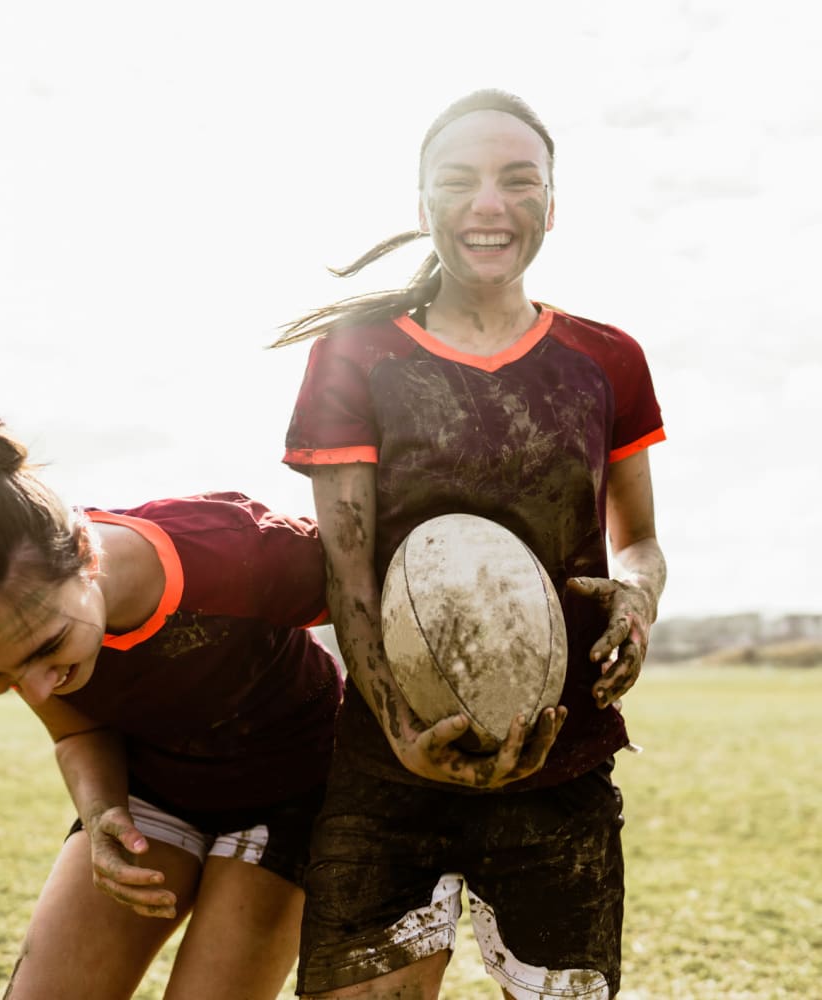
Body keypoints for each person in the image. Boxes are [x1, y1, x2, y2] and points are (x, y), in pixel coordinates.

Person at [275, 88, 667, 999]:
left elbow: (639, 540)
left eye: (517, 181)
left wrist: (638, 600)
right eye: (460, 182)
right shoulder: (357, 353)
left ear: (550, 207)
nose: (489, 204)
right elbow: (351, 571)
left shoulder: (607, 359)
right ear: (424, 209)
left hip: (561, 767)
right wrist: (403, 731)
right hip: (388, 777)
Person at [0, 378, 344, 1000]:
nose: (35, 691)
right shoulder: (17, 633)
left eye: (45, 650)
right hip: (152, 790)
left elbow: (386, 600)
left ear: (86, 554)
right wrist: (99, 813)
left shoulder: (236, 551)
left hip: (293, 796)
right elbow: (78, 728)